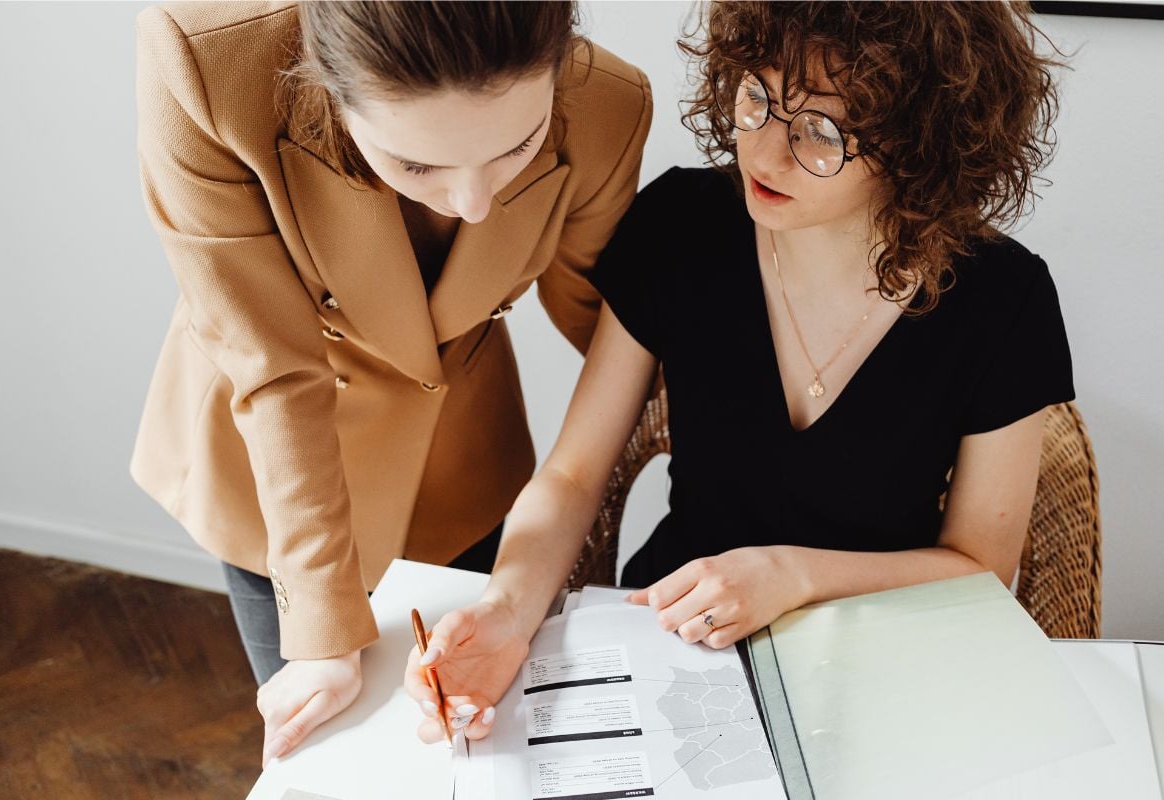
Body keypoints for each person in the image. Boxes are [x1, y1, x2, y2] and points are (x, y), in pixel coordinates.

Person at [405, 0, 1072, 743]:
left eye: (821, 132)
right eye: (756, 96)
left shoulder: (1002, 299)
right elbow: (571, 477)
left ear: (922, 142)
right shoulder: (681, 225)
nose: (764, 153)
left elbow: (979, 566)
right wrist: (505, 610)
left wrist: (792, 576)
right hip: (671, 636)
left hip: (879, 656)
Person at [132, 0, 651, 764]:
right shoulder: (207, 66)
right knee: (331, 757)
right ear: (327, 86)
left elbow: (604, 325)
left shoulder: (608, 107)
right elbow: (271, 364)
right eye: (418, 165)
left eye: (519, 145)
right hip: (274, 472)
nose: (474, 202)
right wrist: (321, 630)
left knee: (472, 749)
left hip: (461, 456)